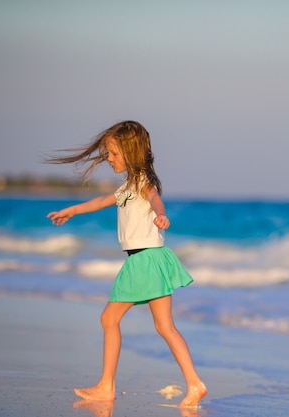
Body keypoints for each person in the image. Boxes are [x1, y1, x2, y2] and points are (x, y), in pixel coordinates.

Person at [46, 120, 207, 408]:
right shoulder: (129, 185)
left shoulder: (143, 182)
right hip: (152, 258)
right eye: (108, 153)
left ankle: (106, 386)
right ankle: (195, 383)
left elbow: (155, 198)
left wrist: (161, 215)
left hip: (144, 260)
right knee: (165, 326)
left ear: (131, 152)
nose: (109, 159)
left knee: (110, 319)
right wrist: (72, 210)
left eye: (114, 153)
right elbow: (101, 201)